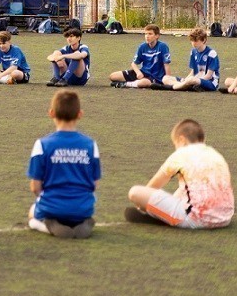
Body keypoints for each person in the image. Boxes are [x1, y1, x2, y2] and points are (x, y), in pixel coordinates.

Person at [126, 119, 234, 229]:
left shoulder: (181, 154)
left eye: (175, 144)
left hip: (197, 219)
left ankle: (162, 217)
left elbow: (153, 186)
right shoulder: (216, 155)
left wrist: (143, 206)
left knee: (135, 192)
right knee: (185, 188)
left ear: (181, 140)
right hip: (225, 219)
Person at [26, 90, 101, 239]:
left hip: (53, 207)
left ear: (51, 113)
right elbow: (95, 184)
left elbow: (35, 187)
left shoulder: (42, 144)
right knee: (79, 208)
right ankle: (82, 223)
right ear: (80, 114)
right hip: (83, 207)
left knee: (32, 213)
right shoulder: (90, 145)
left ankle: (50, 226)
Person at [109, 24, 171, 89]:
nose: (147, 36)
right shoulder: (142, 46)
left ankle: (126, 84)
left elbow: (166, 64)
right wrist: (138, 73)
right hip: (143, 72)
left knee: (144, 83)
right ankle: (135, 83)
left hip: (155, 76)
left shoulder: (162, 46)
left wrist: (168, 79)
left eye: (150, 34)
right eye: (146, 34)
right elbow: (134, 64)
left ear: (157, 36)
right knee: (113, 76)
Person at [163, 28, 219, 92]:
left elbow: (209, 76)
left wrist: (192, 80)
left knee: (192, 80)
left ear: (204, 40)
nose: (193, 43)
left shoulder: (211, 53)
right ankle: (185, 86)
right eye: (192, 41)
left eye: (196, 41)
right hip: (193, 80)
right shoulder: (193, 52)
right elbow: (193, 72)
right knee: (165, 78)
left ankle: (175, 87)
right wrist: (186, 80)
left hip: (210, 82)